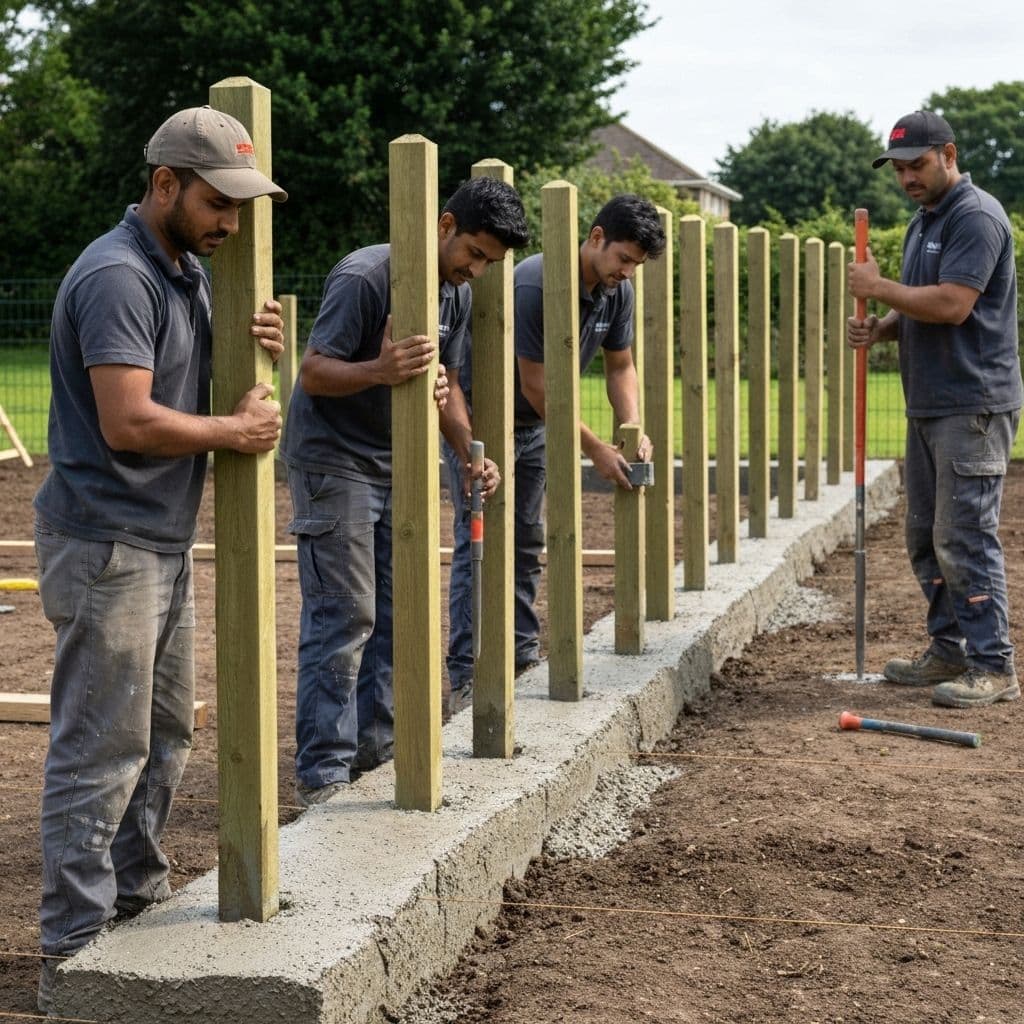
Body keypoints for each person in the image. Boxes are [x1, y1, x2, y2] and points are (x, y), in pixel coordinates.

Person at [32, 105, 287, 1012]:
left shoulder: (183, 271)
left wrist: (250, 345)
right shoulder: (117, 276)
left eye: (241, 208)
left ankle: (133, 899)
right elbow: (128, 421)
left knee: (167, 733)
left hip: (157, 541)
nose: (230, 223)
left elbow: (192, 374)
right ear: (165, 184)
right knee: (102, 747)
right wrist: (238, 429)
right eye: (219, 203)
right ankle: (72, 946)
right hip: (106, 542)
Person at [280, 176, 529, 804]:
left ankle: (378, 749)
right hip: (333, 461)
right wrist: (379, 371)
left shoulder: (456, 296)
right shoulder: (367, 277)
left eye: (489, 263)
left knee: (397, 614)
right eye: (473, 252)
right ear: (444, 225)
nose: (476, 270)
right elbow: (312, 372)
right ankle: (325, 773)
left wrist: (471, 452)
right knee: (346, 615)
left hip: (398, 464)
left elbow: (447, 385)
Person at [445, 194, 665, 709]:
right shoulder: (537, 283)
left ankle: (520, 654)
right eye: (624, 259)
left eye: (637, 264)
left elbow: (620, 367)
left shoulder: (617, 293)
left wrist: (630, 426)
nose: (628, 272)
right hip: (486, 420)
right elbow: (536, 387)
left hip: (541, 427)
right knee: (479, 540)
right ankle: (468, 673)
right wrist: (594, 449)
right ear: (595, 238)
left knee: (526, 539)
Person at [848, 110, 1021, 709]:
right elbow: (919, 306)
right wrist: (884, 328)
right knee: (925, 535)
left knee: (964, 536)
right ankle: (948, 649)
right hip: (929, 404)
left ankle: (993, 665)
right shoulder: (924, 222)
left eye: (916, 165)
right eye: (898, 168)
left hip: (972, 405)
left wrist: (875, 289)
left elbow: (951, 305)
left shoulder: (975, 216)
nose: (906, 178)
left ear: (948, 154)